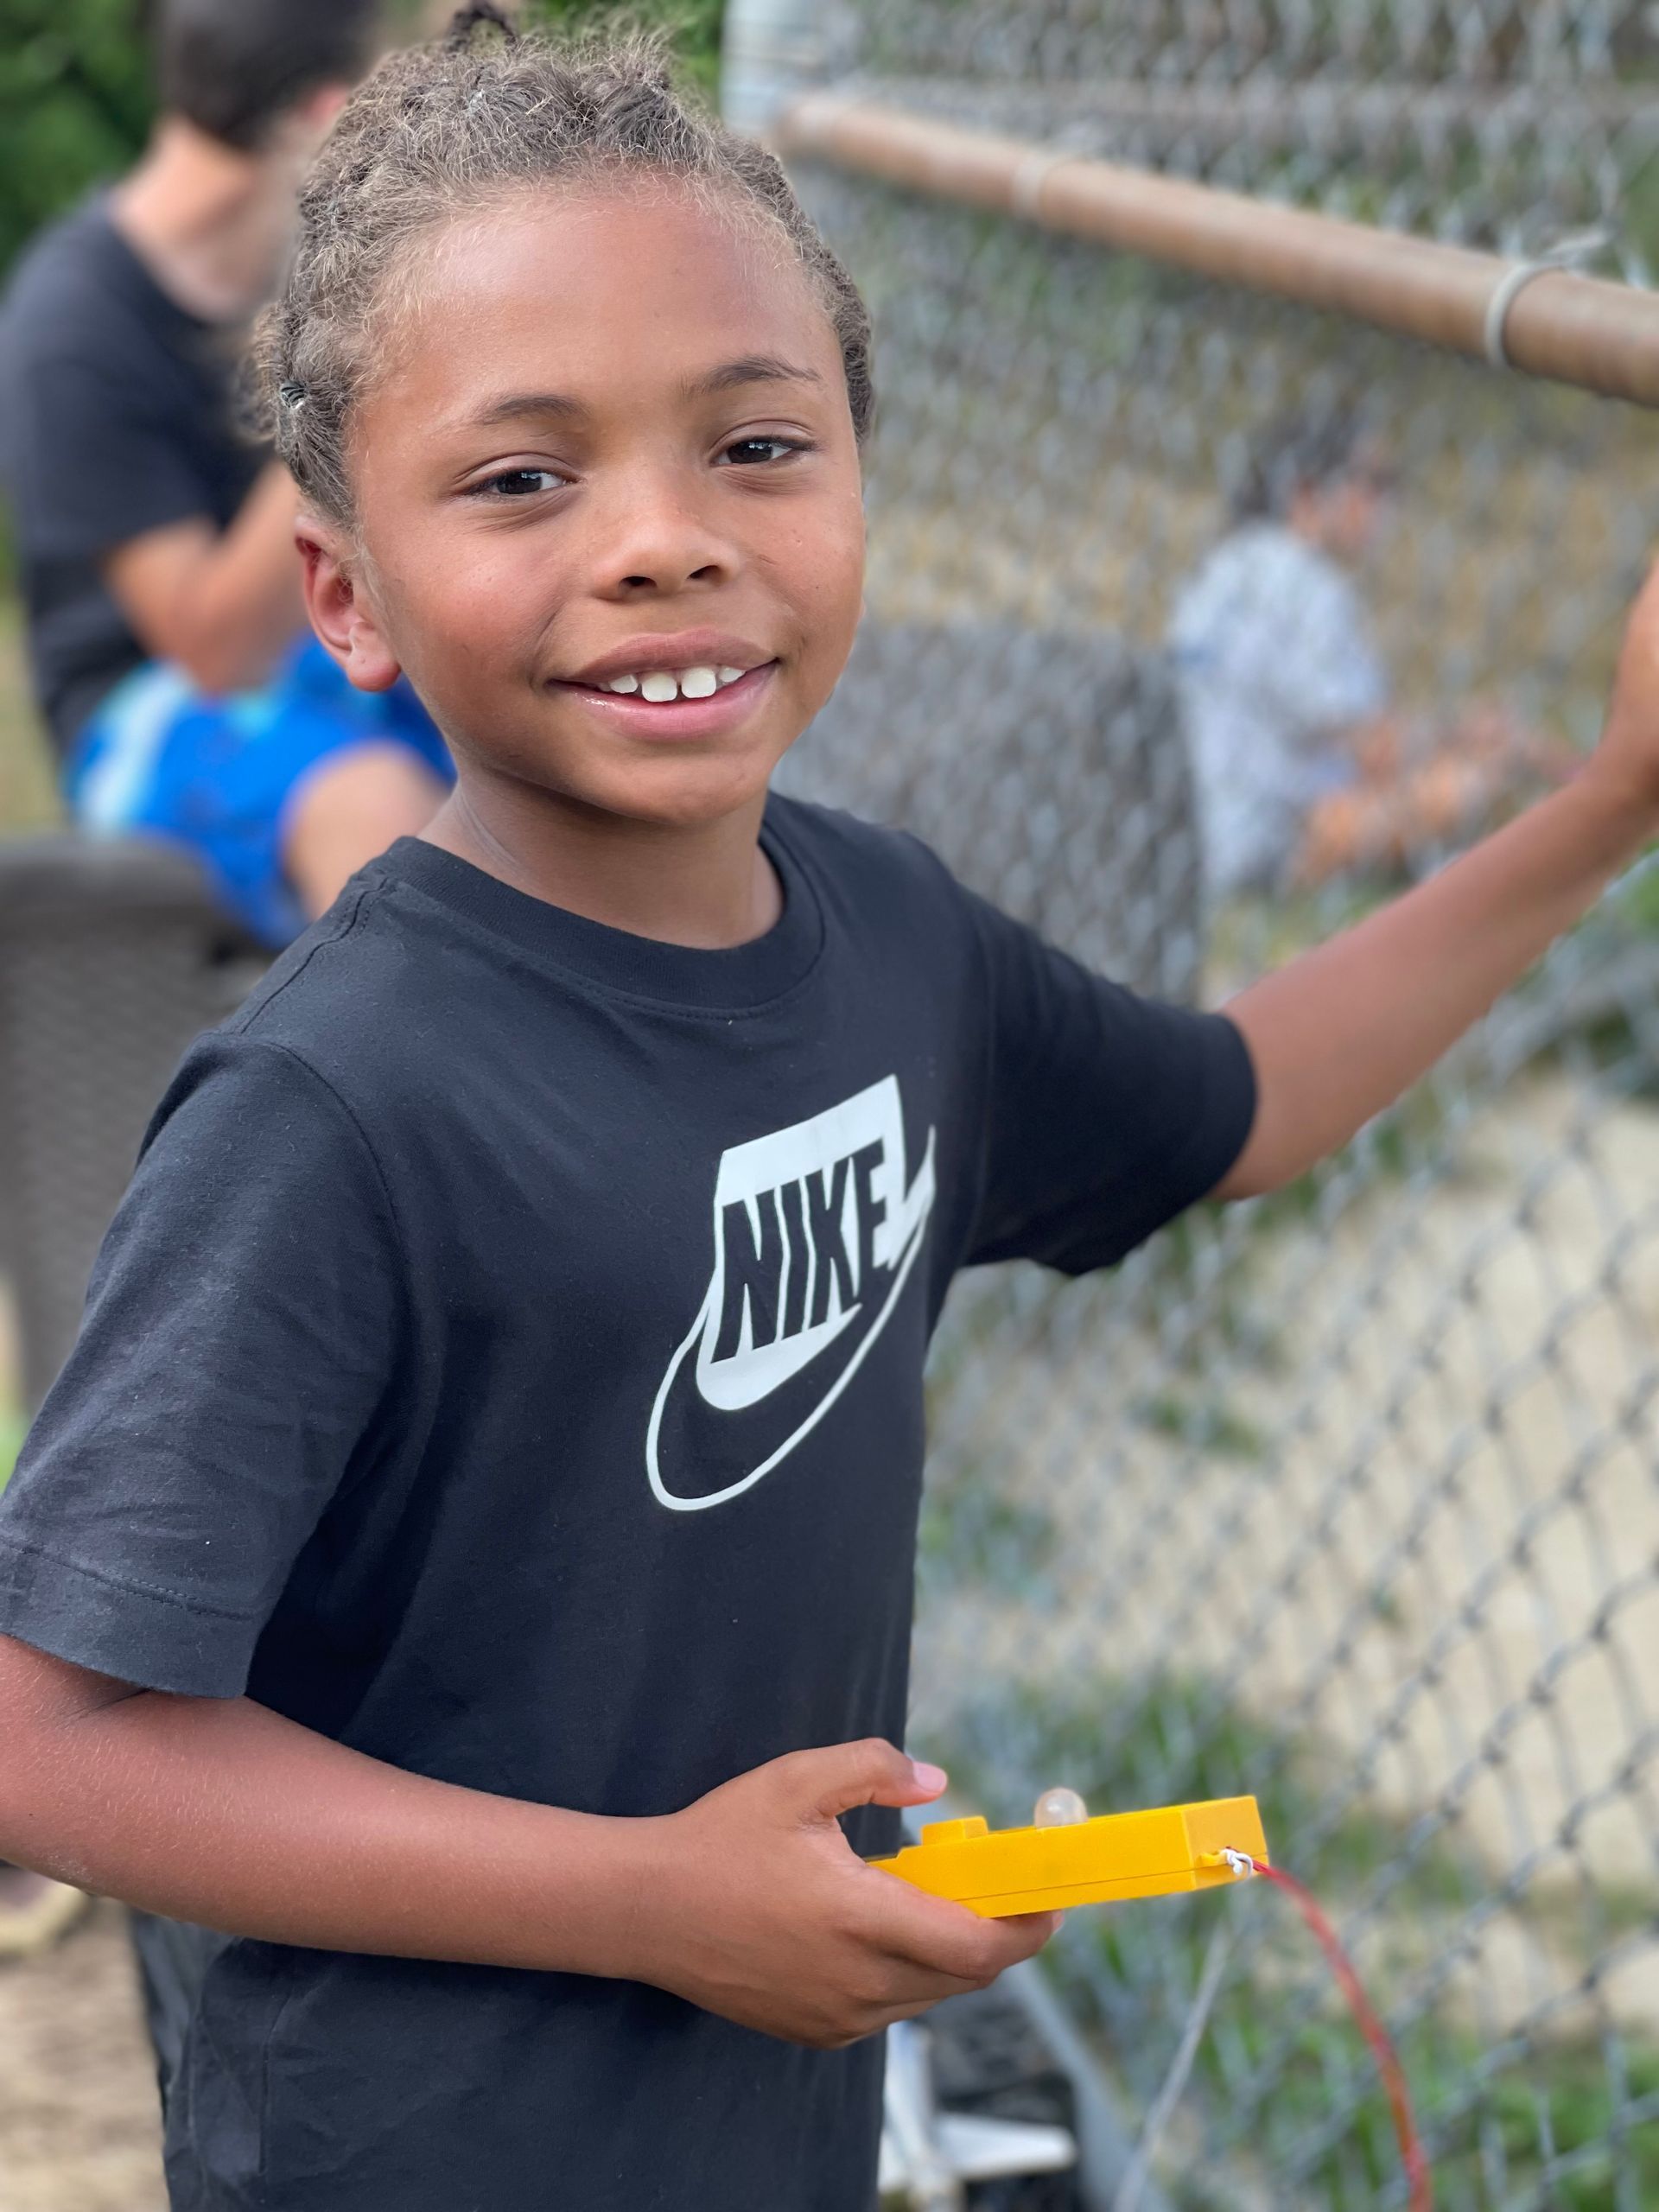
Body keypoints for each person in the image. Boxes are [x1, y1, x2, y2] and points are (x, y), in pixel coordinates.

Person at [1, 13, 1657, 2207]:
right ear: (342, 590)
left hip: (755, 2113)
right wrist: (649, 1897)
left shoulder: (891, 934)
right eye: (523, 476)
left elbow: (1235, 1100)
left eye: (757, 445)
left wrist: (1613, 797)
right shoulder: (336, 1099)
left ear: (865, 476)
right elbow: (54, 1736)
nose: (666, 539)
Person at [0, 0, 451, 948]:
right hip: (154, 703)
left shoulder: (300, 250)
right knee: (379, 816)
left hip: (341, 644)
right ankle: (433, 1082)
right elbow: (211, 654)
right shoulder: (71, 326)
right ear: (328, 115)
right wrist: (343, 380)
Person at [1168, 406, 1565, 899]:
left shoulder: (1227, 564)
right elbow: (1379, 751)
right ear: (1308, 493)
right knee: (1466, 785)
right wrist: (1488, 739)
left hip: (1188, 820)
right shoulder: (1307, 584)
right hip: (1264, 837)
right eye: (1373, 481)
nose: (1387, 502)